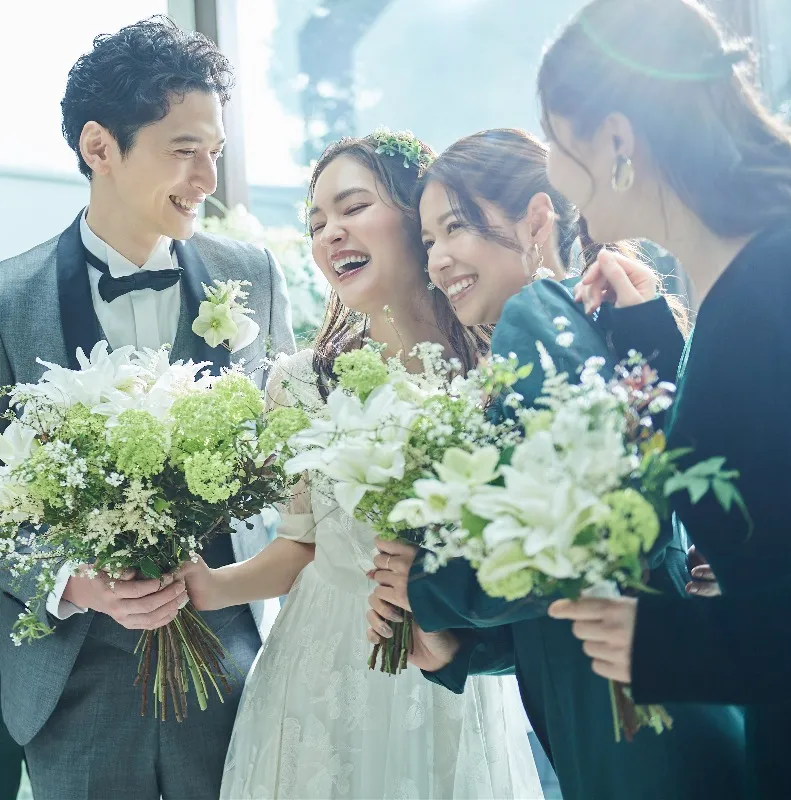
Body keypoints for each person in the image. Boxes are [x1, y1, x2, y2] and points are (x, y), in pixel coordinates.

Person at [366, 128, 746, 799]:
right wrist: (458, 649)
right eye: (428, 242)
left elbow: (582, 542)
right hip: (635, 707)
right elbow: (577, 589)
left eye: (456, 227)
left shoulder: (537, 314)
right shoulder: (602, 326)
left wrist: (427, 583)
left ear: (537, 220)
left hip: (634, 729)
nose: (439, 259)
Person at [179, 131, 542, 799]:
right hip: (321, 672)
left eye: (352, 208)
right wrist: (207, 586)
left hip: (446, 668)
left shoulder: (496, 368)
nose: (330, 234)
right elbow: (299, 547)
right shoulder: (299, 381)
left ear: (417, 216)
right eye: (317, 222)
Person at [0, 17, 293, 800]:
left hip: (231, 674)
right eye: (184, 150)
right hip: (73, 691)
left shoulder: (255, 277)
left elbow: (291, 459)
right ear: (100, 147)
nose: (208, 178)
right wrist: (73, 581)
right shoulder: (6, 302)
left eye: (216, 152)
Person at [528, 0, 791, 796]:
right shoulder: (748, 274)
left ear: (617, 140)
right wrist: (652, 336)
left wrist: (670, 644)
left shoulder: (777, 279)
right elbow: (762, 465)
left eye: (555, 138)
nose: (551, 170)